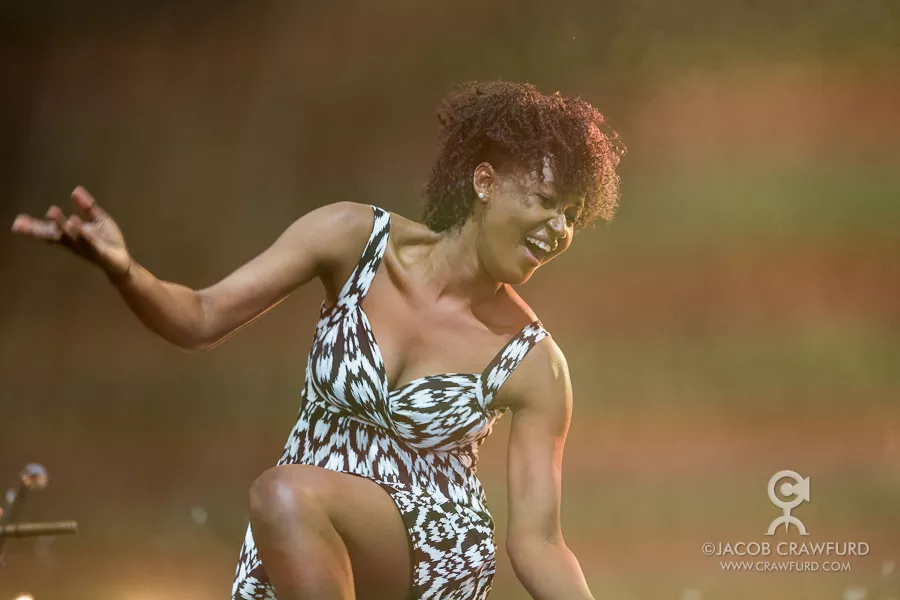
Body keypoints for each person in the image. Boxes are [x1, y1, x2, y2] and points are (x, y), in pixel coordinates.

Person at [11, 80, 624, 600]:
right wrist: (125, 271)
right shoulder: (351, 238)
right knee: (286, 502)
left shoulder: (535, 360)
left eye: (572, 215)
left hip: (432, 548)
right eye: (546, 201)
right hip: (301, 533)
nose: (559, 229)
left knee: (281, 492)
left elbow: (539, 543)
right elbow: (199, 317)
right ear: (485, 181)